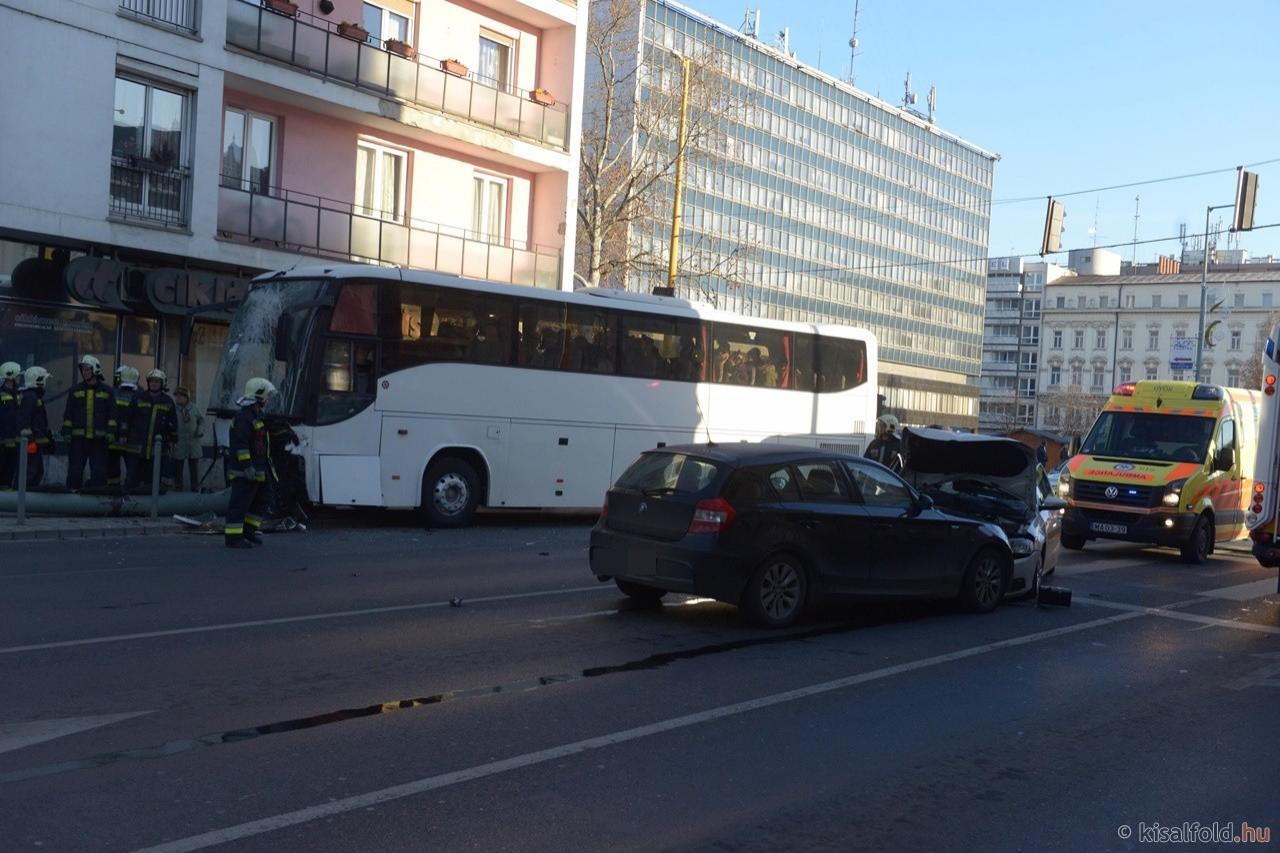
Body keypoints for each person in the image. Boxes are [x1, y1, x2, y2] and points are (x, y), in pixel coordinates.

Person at [225, 378, 276, 549]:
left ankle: (248, 531)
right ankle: (233, 538)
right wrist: (247, 466)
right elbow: (241, 445)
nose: (268, 400)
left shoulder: (256, 416)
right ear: (259, 396)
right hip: (245, 471)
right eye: (267, 396)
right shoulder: (244, 418)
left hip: (259, 469)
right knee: (239, 505)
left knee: (263, 499)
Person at [123, 369, 178, 492]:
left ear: (162, 383)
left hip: (156, 450)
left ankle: (147, 504)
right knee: (131, 479)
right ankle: (127, 502)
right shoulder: (138, 397)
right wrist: (123, 434)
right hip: (136, 447)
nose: (154, 384)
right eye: (152, 381)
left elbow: (173, 424)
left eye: (157, 381)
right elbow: (127, 417)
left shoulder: (168, 401)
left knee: (151, 482)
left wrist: (173, 440)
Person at [64, 355, 113, 490]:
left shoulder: (107, 391)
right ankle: (72, 498)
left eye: (87, 369)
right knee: (74, 471)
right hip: (78, 440)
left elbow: (112, 415)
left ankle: (96, 500)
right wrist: (67, 432)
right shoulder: (75, 391)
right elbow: (68, 414)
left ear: (95, 370)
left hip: (99, 441)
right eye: (83, 370)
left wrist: (111, 432)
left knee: (99, 473)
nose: (84, 372)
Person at [15, 366, 53, 488]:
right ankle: (23, 498)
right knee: (30, 474)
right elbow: (24, 421)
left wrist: (47, 440)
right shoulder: (30, 397)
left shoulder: (32, 396)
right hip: (31, 445)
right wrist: (30, 442)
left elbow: (38, 422)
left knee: (36, 473)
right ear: (39, 380)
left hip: (35, 444)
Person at [106, 365, 139, 491]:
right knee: (132, 469)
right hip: (131, 440)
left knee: (113, 468)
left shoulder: (112, 393)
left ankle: (113, 490)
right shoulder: (140, 394)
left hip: (114, 438)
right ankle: (129, 491)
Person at [172, 386, 205, 492]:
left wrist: (200, 431)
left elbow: (201, 421)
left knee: (194, 466)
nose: (178, 398)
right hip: (179, 441)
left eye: (180, 396)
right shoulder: (174, 409)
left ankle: (195, 486)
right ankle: (178, 486)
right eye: (176, 396)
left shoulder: (194, 408)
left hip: (193, 441)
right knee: (178, 465)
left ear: (186, 397)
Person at [0, 362, 21, 489]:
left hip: (14, 439)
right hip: (4, 439)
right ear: (11, 376)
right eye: (18, 375)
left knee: (11, 466)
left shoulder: (18, 393)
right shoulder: (2, 394)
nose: (19, 377)